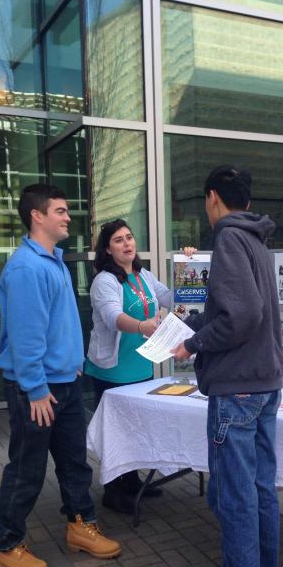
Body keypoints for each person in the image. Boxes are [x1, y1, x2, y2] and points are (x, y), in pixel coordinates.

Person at [172, 165, 283, 567]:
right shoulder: (256, 239)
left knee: (235, 493)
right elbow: (238, 310)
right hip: (263, 382)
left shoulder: (228, 239)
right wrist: (195, 325)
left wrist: (194, 343)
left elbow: (243, 315)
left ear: (213, 197)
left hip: (237, 387)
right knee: (260, 487)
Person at [0, 184, 121, 567]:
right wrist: (35, 388)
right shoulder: (27, 268)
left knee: (73, 464)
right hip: (38, 391)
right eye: (60, 211)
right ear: (37, 216)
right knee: (27, 470)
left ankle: (81, 526)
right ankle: (6, 545)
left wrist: (73, 362)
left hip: (62, 382)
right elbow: (26, 335)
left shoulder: (54, 262)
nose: (68, 217)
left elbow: (57, 324)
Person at [84, 219, 196, 513]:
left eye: (130, 238)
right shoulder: (104, 281)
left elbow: (172, 299)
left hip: (142, 366)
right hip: (113, 368)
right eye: (119, 240)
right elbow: (112, 317)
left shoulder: (143, 275)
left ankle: (132, 483)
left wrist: (187, 265)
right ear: (107, 249)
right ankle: (113, 491)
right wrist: (143, 326)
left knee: (134, 428)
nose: (127, 244)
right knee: (116, 430)